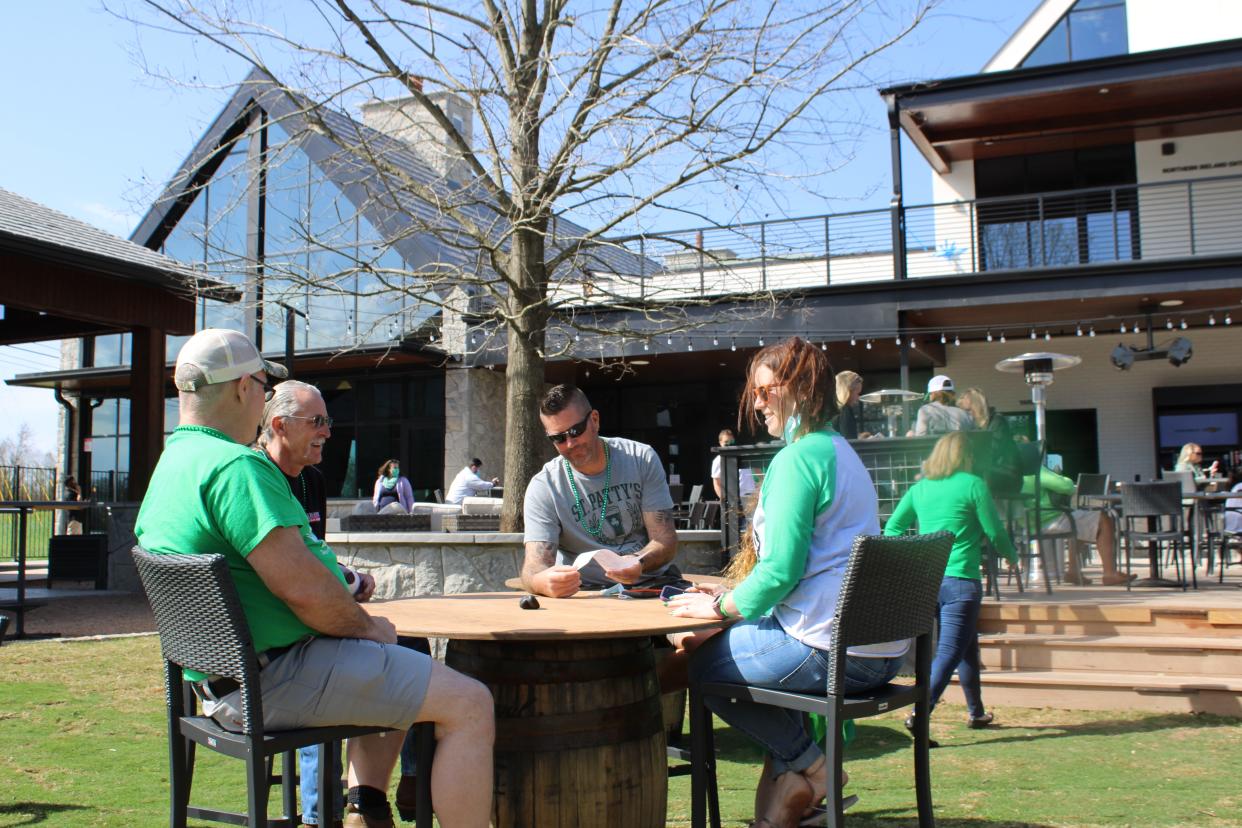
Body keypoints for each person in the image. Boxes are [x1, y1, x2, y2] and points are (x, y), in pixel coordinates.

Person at [135, 328, 493, 828]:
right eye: (262, 385)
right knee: (471, 703)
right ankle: (372, 803)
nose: (261, 398)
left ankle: (363, 808)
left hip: (215, 686)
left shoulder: (172, 464)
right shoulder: (237, 468)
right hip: (270, 681)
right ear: (243, 388)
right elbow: (307, 592)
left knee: (401, 658)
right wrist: (371, 629)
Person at [667, 337, 903, 828]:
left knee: (699, 667)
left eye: (764, 392)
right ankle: (794, 792)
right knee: (726, 651)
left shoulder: (797, 460)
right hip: (876, 651)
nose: (756, 404)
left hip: (831, 650)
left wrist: (720, 609)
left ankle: (815, 770)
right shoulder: (839, 451)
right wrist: (730, 599)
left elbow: (781, 571)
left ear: (798, 389)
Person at [257, 380, 428, 826]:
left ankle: (401, 782)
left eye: (328, 421)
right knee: (339, 676)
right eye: (317, 422)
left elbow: (316, 554)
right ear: (279, 425)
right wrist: (348, 584)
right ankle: (323, 815)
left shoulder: (311, 480)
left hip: (316, 614)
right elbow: (290, 574)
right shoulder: (257, 480)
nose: (328, 432)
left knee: (412, 643)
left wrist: (350, 581)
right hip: (286, 639)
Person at [884, 431, 1017, 741]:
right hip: (961, 582)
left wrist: (914, 555)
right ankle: (920, 714)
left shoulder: (921, 489)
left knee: (966, 647)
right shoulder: (973, 484)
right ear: (964, 457)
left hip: (929, 580)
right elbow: (994, 530)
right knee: (948, 653)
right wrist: (1011, 556)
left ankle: (977, 712)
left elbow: (893, 528)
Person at [521, 384, 681, 597]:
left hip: (650, 583)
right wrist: (540, 582)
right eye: (558, 438)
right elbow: (534, 566)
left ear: (594, 420)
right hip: (584, 592)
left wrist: (638, 562)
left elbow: (665, 540)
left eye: (575, 431)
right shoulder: (544, 486)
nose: (569, 443)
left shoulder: (640, 458)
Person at [1021, 465, 1131, 586]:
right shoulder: (1036, 469)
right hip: (1048, 519)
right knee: (1103, 519)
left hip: (1027, 523)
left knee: (1082, 522)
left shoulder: (1015, 471)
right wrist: (1062, 477)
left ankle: (1073, 571)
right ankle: (1110, 574)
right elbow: (1066, 487)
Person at [957, 387, 1022, 496]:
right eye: (963, 411)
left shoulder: (998, 422)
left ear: (978, 406)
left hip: (1006, 476)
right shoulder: (973, 428)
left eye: (968, 410)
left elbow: (992, 453)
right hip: (988, 473)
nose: (965, 415)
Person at [908, 374, 974, 436]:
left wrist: (912, 435)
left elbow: (921, 438)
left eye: (930, 394)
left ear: (933, 393)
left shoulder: (925, 411)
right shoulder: (964, 414)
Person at [710, 429, 756, 502]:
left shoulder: (743, 455)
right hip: (733, 499)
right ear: (720, 443)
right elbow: (716, 482)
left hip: (752, 496)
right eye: (726, 442)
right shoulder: (718, 460)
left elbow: (756, 472)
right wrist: (724, 500)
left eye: (732, 442)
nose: (729, 444)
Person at [832, 370, 871, 440]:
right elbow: (850, 442)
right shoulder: (845, 410)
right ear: (847, 392)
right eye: (857, 393)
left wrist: (859, 437)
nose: (858, 397)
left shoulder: (832, 409)